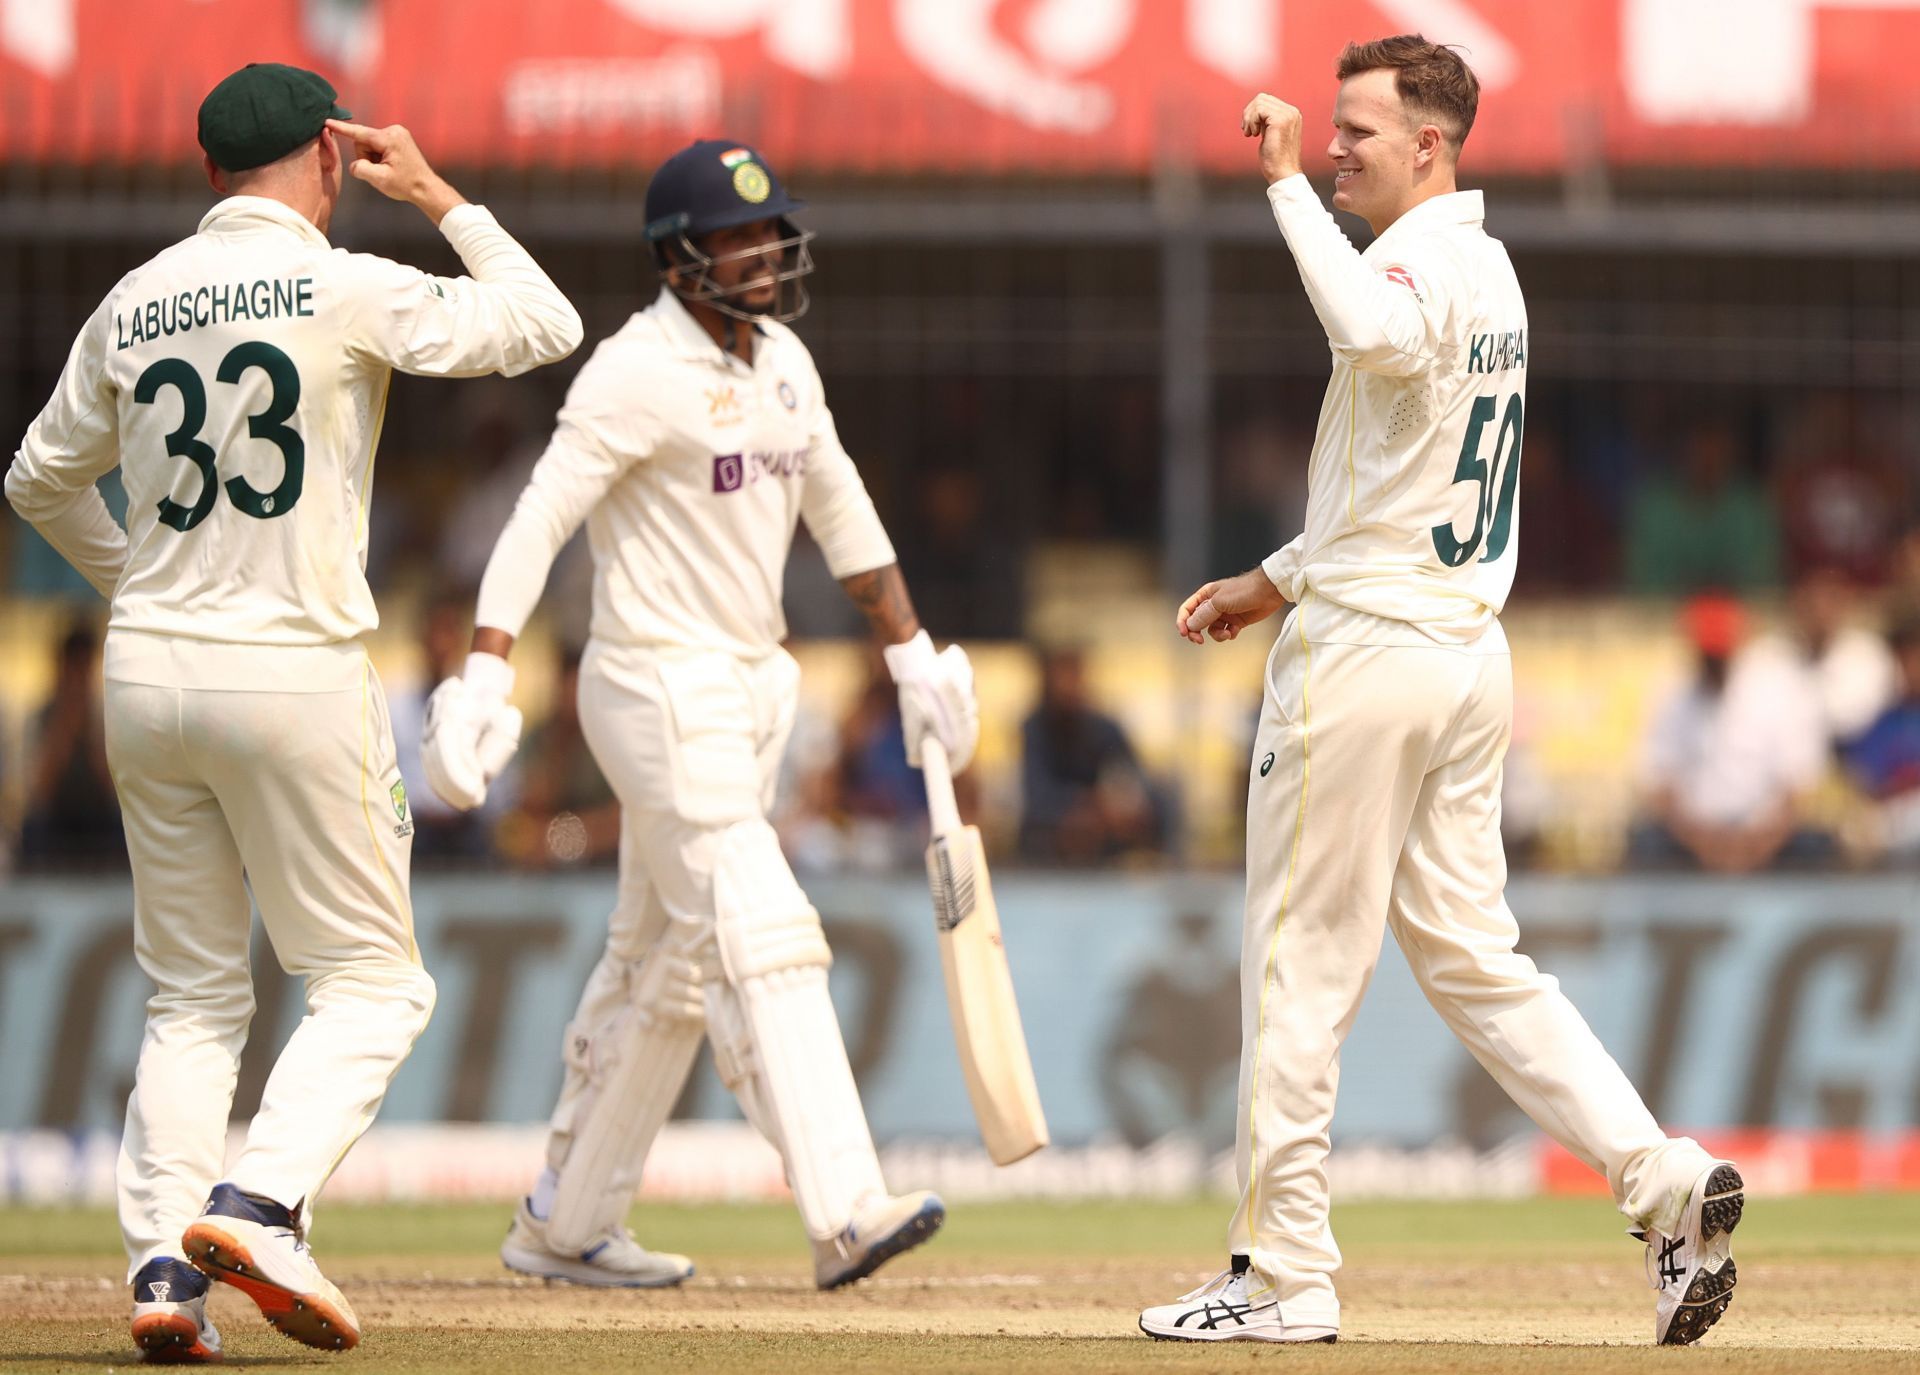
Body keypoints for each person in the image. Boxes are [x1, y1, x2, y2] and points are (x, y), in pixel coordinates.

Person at [1138, 37, 1742, 1348]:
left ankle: (1282, 1274)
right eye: (1333, 130)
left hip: (1365, 664)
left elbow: (1366, 330)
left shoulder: (1404, 263)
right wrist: (1276, 574)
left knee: (1301, 967)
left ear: (1430, 147)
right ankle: (1666, 1181)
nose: (1337, 145)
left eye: (1359, 131)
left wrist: (1286, 187)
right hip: (1462, 653)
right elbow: (1401, 481)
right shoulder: (1492, 266)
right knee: (1478, 960)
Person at [5, 62, 581, 1361]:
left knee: (191, 997)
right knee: (374, 980)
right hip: (296, 667)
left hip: (146, 671)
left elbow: (37, 477)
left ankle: (163, 1266)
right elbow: (541, 323)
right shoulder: (347, 283)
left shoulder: (134, 300)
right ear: (332, 157)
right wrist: (432, 188)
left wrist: (143, 578)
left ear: (211, 172)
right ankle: (260, 1203)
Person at [421, 138, 978, 1290]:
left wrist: (913, 651)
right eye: (736, 235)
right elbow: (538, 519)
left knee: (664, 968)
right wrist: (484, 668)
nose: (764, 252)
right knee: (761, 927)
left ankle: (565, 1223)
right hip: (653, 683)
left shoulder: (784, 363)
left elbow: (846, 511)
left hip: (754, 685)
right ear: (679, 258)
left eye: (771, 231)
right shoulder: (633, 371)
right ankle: (844, 1207)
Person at [1632, 594, 1833, 873]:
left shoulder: (1779, 688)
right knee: (1646, 844)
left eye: (1720, 654)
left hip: (1768, 834)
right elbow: (1659, 784)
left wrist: (1758, 844)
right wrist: (1703, 843)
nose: (1714, 662)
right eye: (1708, 654)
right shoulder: (1672, 694)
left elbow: (1798, 786)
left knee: (1816, 846)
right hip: (1695, 836)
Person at [1018, 647, 1165, 864]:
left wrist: (1119, 806)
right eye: (1062, 677)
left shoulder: (1105, 728)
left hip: (1107, 852)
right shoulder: (1035, 729)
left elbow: (1136, 786)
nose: (1068, 686)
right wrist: (1085, 806)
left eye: (1073, 676)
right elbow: (1038, 797)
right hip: (1051, 852)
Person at [17, 620, 124, 870]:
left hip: (98, 820)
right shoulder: (41, 716)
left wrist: (90, 732)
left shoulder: (104, 715)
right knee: (32, 829)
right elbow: (39, 794)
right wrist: (63, 728)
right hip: (55, 819)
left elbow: (114, 792)